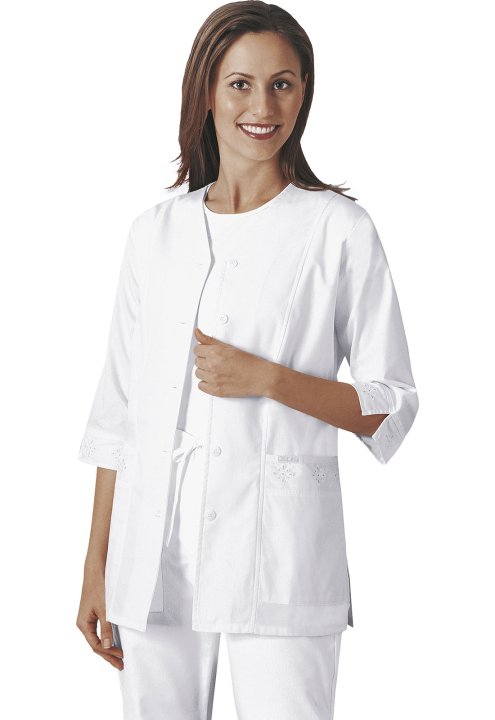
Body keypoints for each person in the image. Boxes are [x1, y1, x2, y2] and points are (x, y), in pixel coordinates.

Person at [76, 2, 419, 718]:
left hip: (277, 556)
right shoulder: (154, 233)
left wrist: (267, 379)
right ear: (206, 91)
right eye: (240, 84)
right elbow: (118, 414)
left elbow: (391, 404)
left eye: (282, 84)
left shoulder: (338, 230)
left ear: (304, 93)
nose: (262, 107)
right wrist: (97, 564)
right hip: (151, 557)